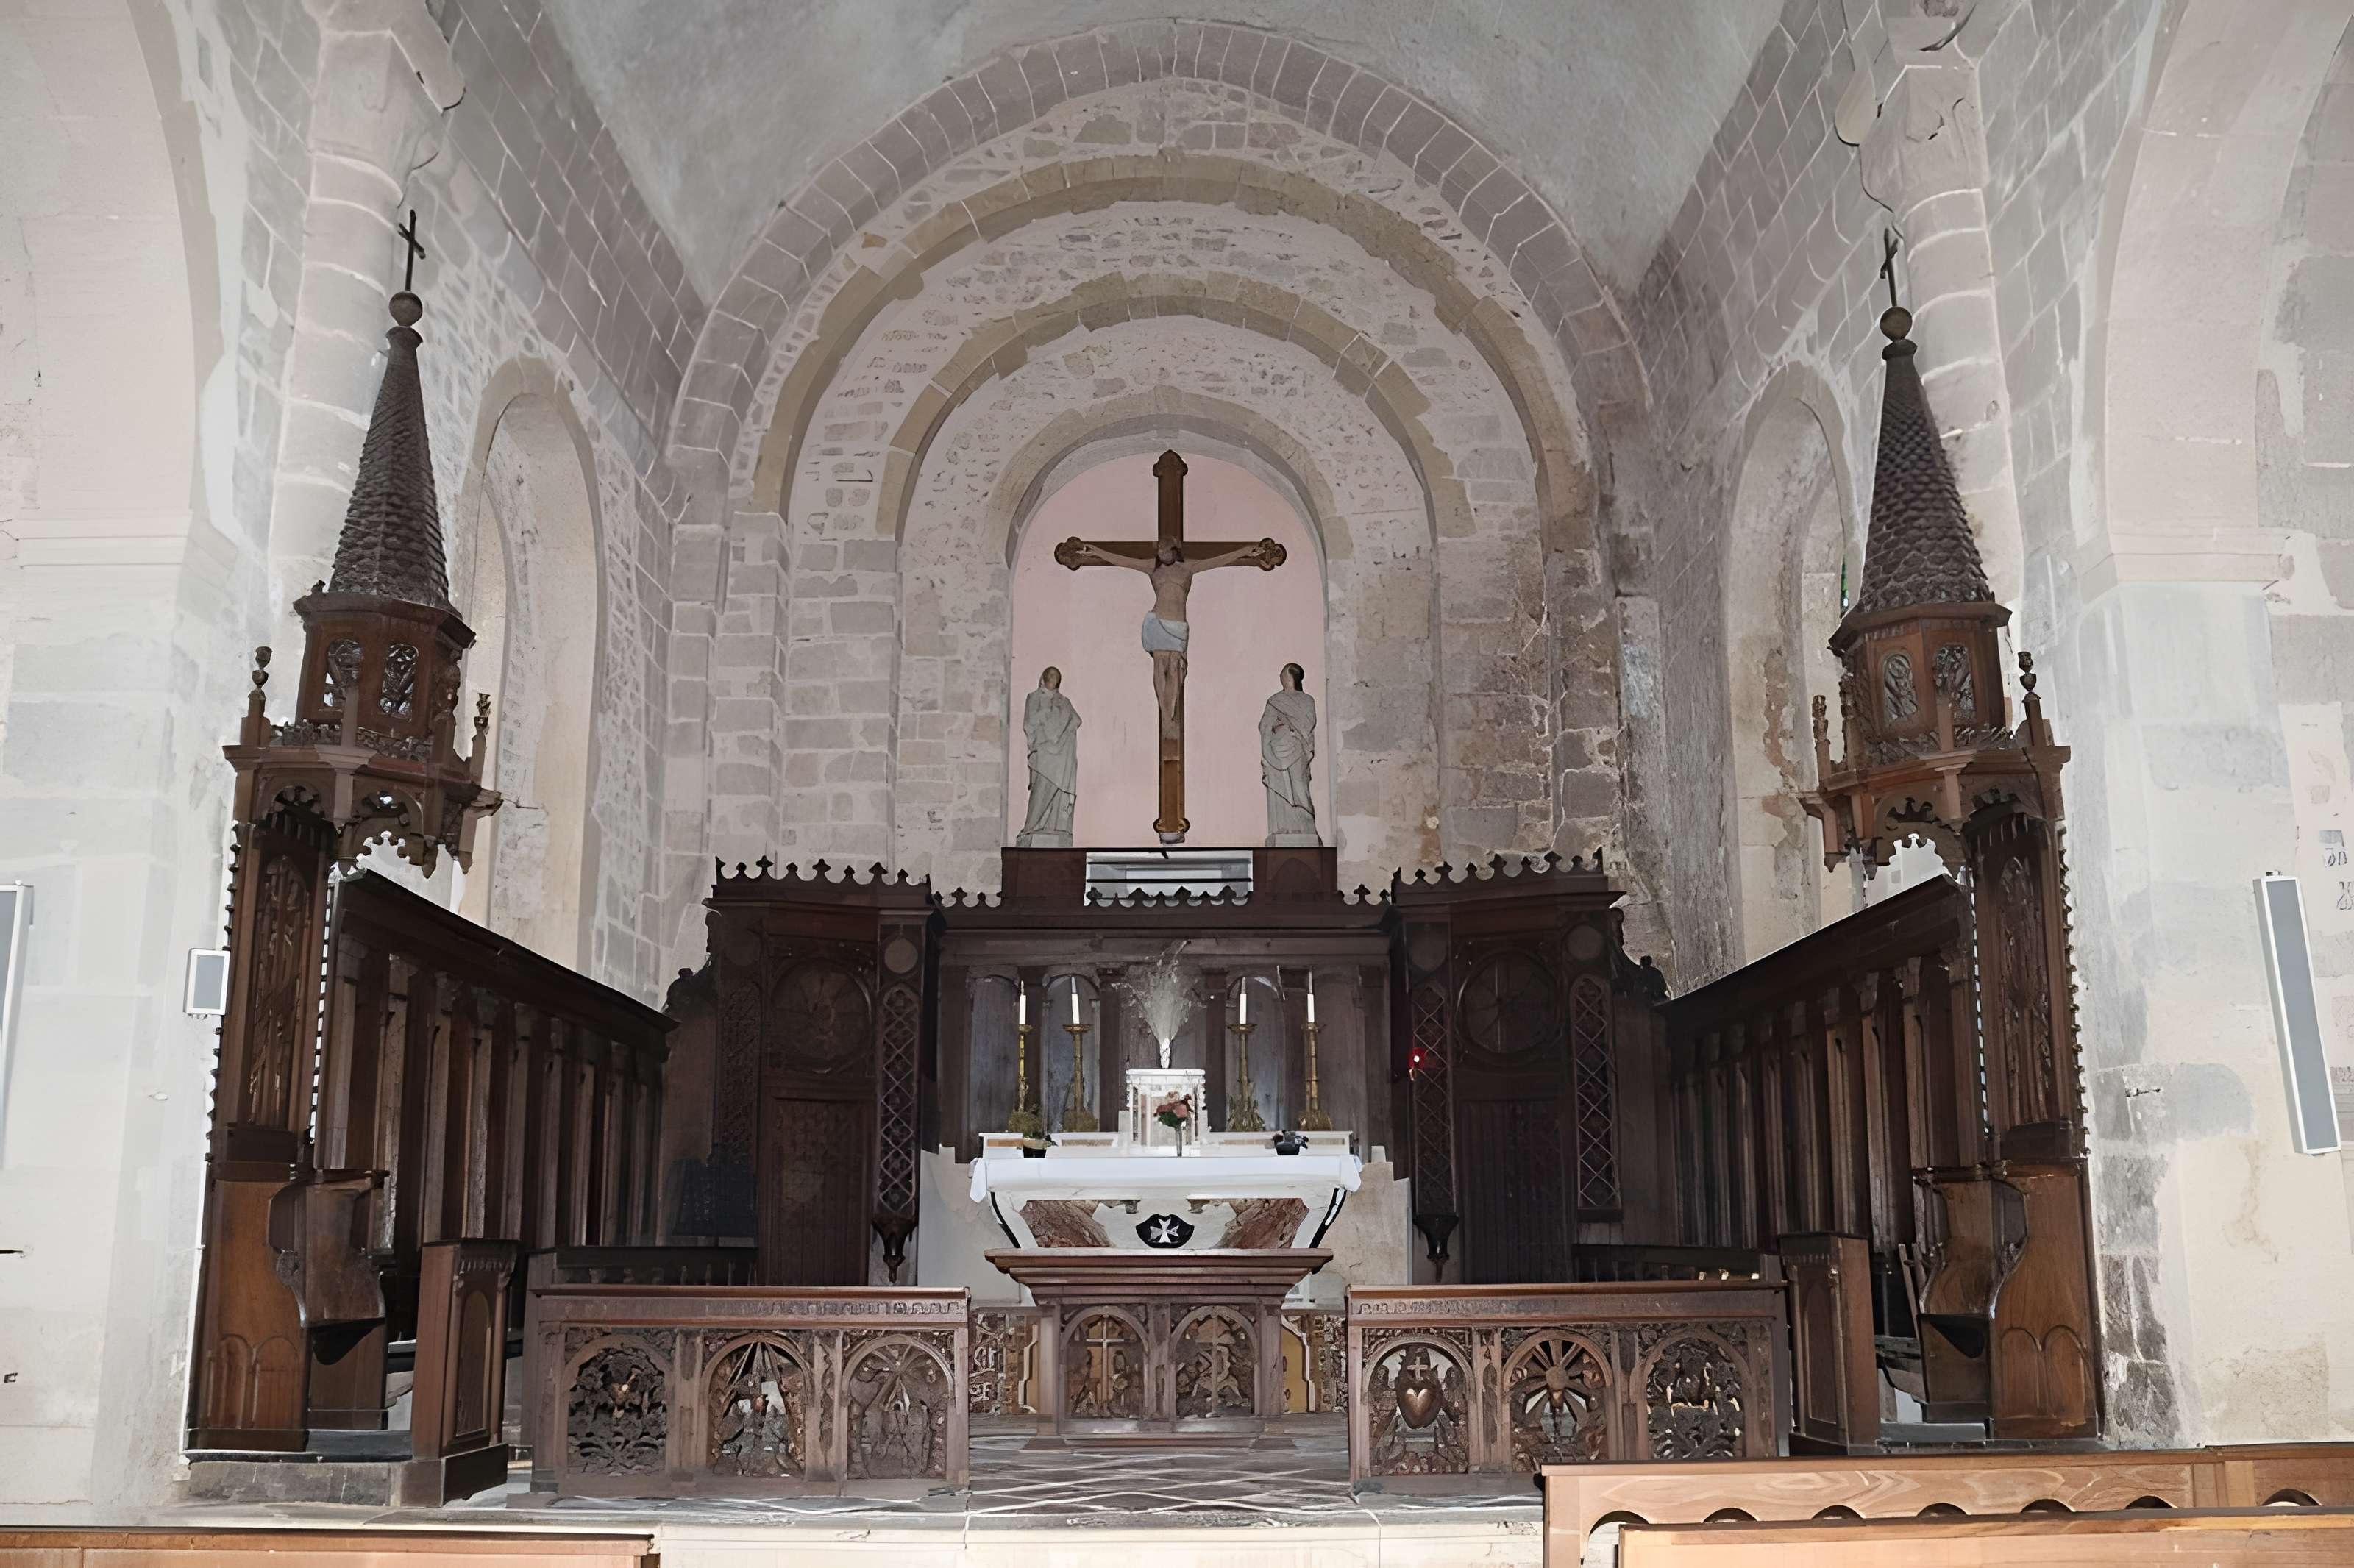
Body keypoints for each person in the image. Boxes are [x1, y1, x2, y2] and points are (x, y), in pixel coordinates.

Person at [1016, 666, 1081, 847]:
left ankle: (1055, 826)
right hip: (1043, 751)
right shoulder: (1034, 698)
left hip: (1061, 755)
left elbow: (1076, 720)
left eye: (1057, 676)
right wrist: (1047, 715)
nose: (1053, 678)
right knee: (1041, 789)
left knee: (1058, 790)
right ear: (1043, 677)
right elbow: (1029, 724)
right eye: (1051, 675)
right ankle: (1032, 826)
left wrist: (1059, 722)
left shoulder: (1064, 701)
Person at [1259, 662, 1318, 844]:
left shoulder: (1307, 700)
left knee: (1299, 786)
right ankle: (1282, 826)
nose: (1281, 679)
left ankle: (1306, 823)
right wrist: (1275, 729)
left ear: (1291, 677)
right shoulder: (1275, 701)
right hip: (1277, 750)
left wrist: (1288, 725)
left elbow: (1308, 723)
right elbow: (1264, 725)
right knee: (1280, 788)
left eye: (1283, 675)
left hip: (1297, 748)